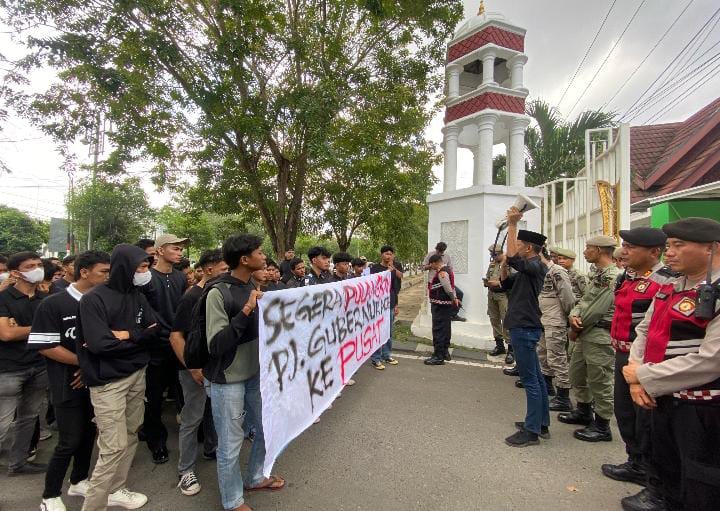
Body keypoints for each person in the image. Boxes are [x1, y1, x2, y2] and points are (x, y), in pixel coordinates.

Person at [621, 218, 720, 511]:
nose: (669, 253)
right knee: (666, 461)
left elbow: (712, 360)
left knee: (700, 477)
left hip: (700, 406)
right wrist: (638, 378)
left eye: (679, 245)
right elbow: (644, 330)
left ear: (711, 249)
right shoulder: (672, 287)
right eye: (668, 246)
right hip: (661, 397)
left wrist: (643, 375)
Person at [77, 244, 162, 510]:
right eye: (141, 267)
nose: (145, 272)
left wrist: (128, 335)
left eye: (147, 267)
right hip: (108, 382)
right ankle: (94, 506)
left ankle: (117, 489)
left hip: (137, 374)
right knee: (112, 447)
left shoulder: (137, 295)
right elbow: (101, 344)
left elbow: (155, 330)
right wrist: (139, 336)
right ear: (125, 267)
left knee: (131, 433)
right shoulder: (94, 299)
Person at [205, 234, 285, 511]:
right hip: (228, 379)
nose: (264, 257)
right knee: (230, 443)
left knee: (264, 428)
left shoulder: (252, 285)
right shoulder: (218, 293)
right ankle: (232, 499)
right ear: (244, 259)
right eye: (259, 252)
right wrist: (247, 310)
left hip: (255, 375)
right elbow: (216, 344)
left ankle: (254, 477)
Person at [29, 250, 111, 511]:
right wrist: (82, 363)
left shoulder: (103, 301)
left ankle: (79, 479)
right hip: (67, 383)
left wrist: (91, 368)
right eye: (103, 272)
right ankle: (50, 495)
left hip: (95, 381)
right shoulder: (53, 304)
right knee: (69, 440)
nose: (108, 277)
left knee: (89, 434)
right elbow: (46, 346)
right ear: (84, 272)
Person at [599, 227, 675, 493]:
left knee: (647, 418)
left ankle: (651, 472)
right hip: (623, 354)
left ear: (654, 252)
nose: (625, 251)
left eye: (632, 247)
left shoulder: (667, 280)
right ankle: (635, 461)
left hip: (645, 359)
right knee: (625, 412)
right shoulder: (627, 277)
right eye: (625, 246)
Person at [169, 248, 227, 497]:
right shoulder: (191, 297)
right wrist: (192, 367)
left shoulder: (220, 293)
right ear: (208, 269)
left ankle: (212, 449)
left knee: (216, 415)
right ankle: (186, 470)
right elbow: (176, 336)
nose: (227, 273)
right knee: (192, 420)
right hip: (195, 370)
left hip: (217, 368)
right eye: (224, 269)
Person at [559, 236, 621, 442]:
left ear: (600, 250)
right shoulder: (598, 274)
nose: (585, 252)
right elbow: (584, 300)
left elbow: (596, 309)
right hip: (585, 330)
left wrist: (576, 326)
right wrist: (573, 315)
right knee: (577, 373)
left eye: (588, 248)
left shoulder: (612, 276)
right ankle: (584, 411)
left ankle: (602, 425)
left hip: (598, 334)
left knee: (600, 380)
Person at [498, 208, 549, 447]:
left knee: (530, 380)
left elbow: (513, 255)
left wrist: (511, 224)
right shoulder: (528, 270)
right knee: (537, 378)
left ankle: (531, 432)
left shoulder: (536, 266)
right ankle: (541, 423)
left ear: (528, 248)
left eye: (518, 244)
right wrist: (504, 266)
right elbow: (506, 283)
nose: (514, 247)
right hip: (525, 326)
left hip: (525, 327)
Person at [0, 251, 49, 476]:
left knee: (29, 418)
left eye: (39, 264)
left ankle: (18, 462)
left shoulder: (44, 299)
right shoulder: (4, 298)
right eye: (30, 266)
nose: (37, 268)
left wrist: (22, 328)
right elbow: (7, 334)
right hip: (8, 369)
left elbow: (54, 330)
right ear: (16, 272)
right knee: (2, 423)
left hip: (38, 365)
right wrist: (39, 328)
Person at [142, 234, 189, 464]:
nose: (180, 252)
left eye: (181, 249)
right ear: (159, 251)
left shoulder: (180, 277)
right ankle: (156, 441)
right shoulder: (146, 278)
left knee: (185, 391)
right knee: (154, 397)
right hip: (155, 347)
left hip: (178, 342)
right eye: (175, 248)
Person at [536, 247, 576, 411]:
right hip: (545, 319)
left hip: (555, 321)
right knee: (544, 354)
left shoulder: (557, 271)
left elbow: (568, 298)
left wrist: (567, 318)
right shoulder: (544, 271)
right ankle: (547, 386)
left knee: (557, 358)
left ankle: (563, 397)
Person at [369, 245, 403, 370]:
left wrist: (396, 305)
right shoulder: (374, 268)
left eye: (391, 254)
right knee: (378, 331)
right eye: (386, 254)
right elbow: (372, 285)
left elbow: (399, 280)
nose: (388, 256)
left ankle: (387, 354)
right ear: (381, 255)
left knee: (388, 331)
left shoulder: (396, 266)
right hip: (378, 305)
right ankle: (376, 358)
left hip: (391, 303)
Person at [424, 254, 459, 365]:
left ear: (435, 262)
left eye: (431, 264)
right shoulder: (447, 270)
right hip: (444, 305)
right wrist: (455, 299)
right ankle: (444, 352)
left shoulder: (442, 272)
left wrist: (454, 298)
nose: (430, 266)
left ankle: (438, 356)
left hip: (440, 305)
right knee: (445, 328)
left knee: (438, 329)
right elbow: (452, 287)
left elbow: (448, 288)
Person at [485, 244, 513, 364]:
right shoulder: (492, 264)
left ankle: (511, 350)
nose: (493, 257)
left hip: (503, 296)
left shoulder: (508, 264)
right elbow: (488, 276)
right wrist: (487, 282)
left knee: (506, 321)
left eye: (495, 254)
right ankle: (499, 345)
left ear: (501, 253)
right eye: (492, 254)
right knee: (494, 320)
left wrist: (498, 283)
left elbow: (511, 280)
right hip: (492, 295)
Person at [423, 242, 465, 321]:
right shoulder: (430, 255)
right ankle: (437, 317)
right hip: (433, 282)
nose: (440, 253)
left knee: (459, 293)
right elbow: (423, 267)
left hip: (444, 281)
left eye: (441, 252)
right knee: (436, 299)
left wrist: (444, 269)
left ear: (444, 251)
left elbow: (450, 268)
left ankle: (453, 315)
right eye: (438, 251)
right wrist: (431, 266)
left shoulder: (447, 257)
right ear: (436, 248)